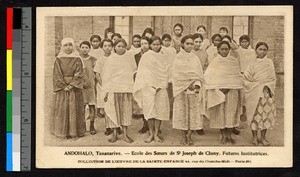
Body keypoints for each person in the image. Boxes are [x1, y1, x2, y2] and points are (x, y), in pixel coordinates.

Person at [204, 41, 243, 145]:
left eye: (226, 49)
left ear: (229, 50)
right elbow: (208, 77)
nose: (224, 51)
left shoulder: (234, 61)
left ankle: (229, 136)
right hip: (219, 92)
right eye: (222, 49)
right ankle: (223, 136)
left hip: (232, 92)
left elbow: (237, 77)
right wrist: (219, 88)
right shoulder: (215, 61)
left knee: (231, 114)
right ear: (218, 50)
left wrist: (230, 86)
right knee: (220, 115)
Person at [133, 36, 170, 143]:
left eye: (158, 44)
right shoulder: (146, 56)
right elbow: (142, 73)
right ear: (150, 45)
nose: (156, 46)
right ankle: (150, 133)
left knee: (160, 111)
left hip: (161, 88)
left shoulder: (164, 56)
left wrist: (160, 85)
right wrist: (151, 85)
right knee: (149, 111)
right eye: (154, 44)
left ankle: (156, 133)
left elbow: (166, 72)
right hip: (148, 87)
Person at [172, 35, 205, 145]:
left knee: (192, 114)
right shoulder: (177, 58)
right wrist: (186, 85)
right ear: (182, 44)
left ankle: (190, 136)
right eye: (188, 43)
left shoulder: (195, 58)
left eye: (192, 43)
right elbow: (176, 75)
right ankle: (183, 136)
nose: (190, 45)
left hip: (193, 90)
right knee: (182, 114)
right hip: (181, 90)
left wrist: (195, 84)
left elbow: (198, 74)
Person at [51, 37, 85, 139]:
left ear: (73, 46)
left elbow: (79, 73)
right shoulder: (58, 59)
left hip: (74, 88)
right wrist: (63, 85)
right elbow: (57, 74)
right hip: (63, 88)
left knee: (75, 109)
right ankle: (63, 132)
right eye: (65, 45)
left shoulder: (78, 58)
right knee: (63, 109)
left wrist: (72, 85)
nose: (68, 47)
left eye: (70, 45)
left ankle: (75, 132)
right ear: (62, 46)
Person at [102, 38, 135, 143]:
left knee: (125, 111)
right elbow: (106, 76)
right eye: (118, 46)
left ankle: (125, 135)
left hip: (126, 89)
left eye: (123, 46)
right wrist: (106, 91)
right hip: (113, 89)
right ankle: (115, 134)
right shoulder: (110, 59)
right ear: (114, 48)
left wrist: (131, 87)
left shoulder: (129, 57)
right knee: (114, 111)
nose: (121, 48)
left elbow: (133, 72)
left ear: (126, 47)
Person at [243, 42, 276, 146]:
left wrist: (267, 86)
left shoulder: (269, 62)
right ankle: (254, 137)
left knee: (266, 115)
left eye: (264, 49)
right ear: (256, 50)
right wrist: (256, 85)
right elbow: (247, 77)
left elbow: (272, 78)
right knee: (254, 115)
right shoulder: (252, 62)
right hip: (254, 93)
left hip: (266, 93)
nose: (262, 51)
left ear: (267, 51)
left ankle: (263, 137)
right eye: (260, 49)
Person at [94, 39, 114, 136]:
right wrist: (104, 85)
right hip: (103, 86)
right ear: (102, 47)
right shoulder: (100, 59)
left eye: (109, 46)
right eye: (105, 46)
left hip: (114, 86)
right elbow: (97, 74)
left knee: (114, 106)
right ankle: (108, 127)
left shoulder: (115, 58)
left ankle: (116, 127)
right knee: (106, 107)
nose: (107, 48)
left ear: (112, 47)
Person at [133, 36, 151, 134]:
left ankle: (153, 126)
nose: (144, 46)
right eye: (142, 43)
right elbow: (134, 69)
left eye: (146, 43)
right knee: (143, 104)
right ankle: (145, 124)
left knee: (152, 104)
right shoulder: (136, 56)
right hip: (141, 81)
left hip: (151, 81)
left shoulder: (153, 55)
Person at [80, 41, 97, 135]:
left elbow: (96, 73)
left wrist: (92, 83)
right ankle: (82, 126)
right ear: (80, 48)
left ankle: (92, 125)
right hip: (81, 86)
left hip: (90, 86)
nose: (84, 49)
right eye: (83, 47)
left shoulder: (93, 59)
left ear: (89, 49)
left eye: (86, 47)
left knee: (91, 105)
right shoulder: (77, 59)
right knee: (81, 106)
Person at [162, 33, 177, 120]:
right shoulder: (161, 50)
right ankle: (165, 111)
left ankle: (171, 111)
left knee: (171, 94)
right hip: (164, 72)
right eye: (165, 41)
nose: (167, 43)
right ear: (162, 41)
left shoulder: (173, 50)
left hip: (171, 72)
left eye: (168, 41)